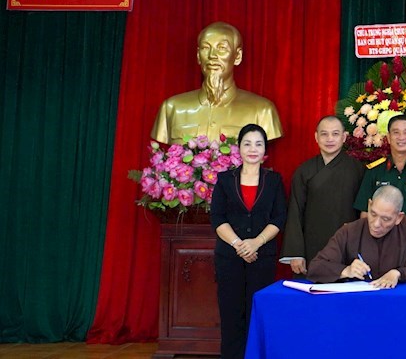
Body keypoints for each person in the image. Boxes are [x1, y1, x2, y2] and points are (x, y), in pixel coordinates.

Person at [210, 123, 287, 359]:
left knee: (258, 313)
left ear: (265, 150)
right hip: (229, 258)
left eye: (258, 144)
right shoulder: (225, 180)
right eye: (247, 144)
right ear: (239, 148)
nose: (253, 149)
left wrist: (256, 242)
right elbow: (218, 217)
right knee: (231, 316)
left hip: (262, 258)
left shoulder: (274, 180)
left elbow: (279, 217)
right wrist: (239, 244)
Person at [151, 21, 283, 144]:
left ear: (237, 56)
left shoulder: (262, 111)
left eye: (222, 48)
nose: (212, 56)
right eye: (205, 48)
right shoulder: (172, 108)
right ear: (198, 56)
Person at [280, 115, 366, 276]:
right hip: (311, 246)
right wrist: (296, 253)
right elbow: (295, 211)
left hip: (347, 245)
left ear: (344, 137)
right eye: (324, 134)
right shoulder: (304, 171)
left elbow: (364, 213)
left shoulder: (358, 170)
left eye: (335, 134)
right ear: (316, 137)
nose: (329, 139)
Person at [352, 114, 406, 265]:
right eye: (396, 132)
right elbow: (365, 212)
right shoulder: (374, 171)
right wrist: (364, 245)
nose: (401, 137)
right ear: (389, 138)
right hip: (379, 245)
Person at [308, 185, 406, 288]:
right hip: (358, 301)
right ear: (369, 205)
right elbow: (316, 267)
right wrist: (345, 270)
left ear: (399, 217)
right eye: (373, 214)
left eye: (385, 219)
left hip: (397, 301)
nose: (376, 224)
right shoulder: (350, 231)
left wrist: (398, 273)